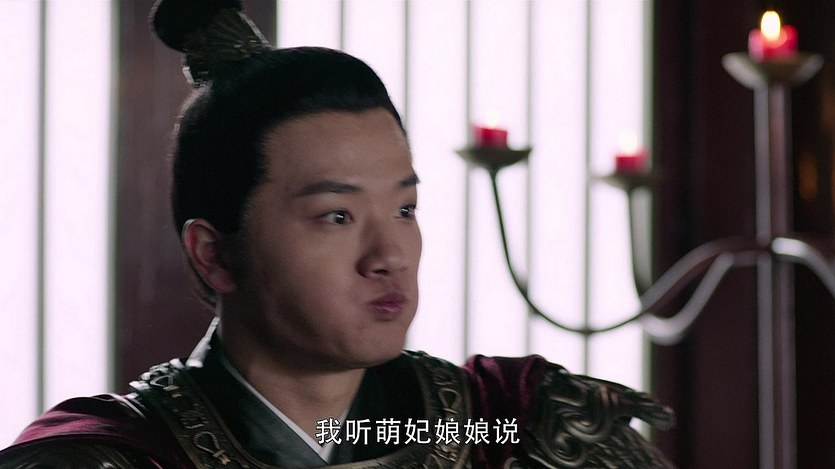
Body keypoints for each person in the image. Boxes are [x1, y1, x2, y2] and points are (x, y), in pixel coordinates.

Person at [0, 1, 675, 467]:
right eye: (337, 216)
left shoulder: (499, 428)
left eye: (404, 210)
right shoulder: (122, 456)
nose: (389, 257)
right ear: (214, 253)